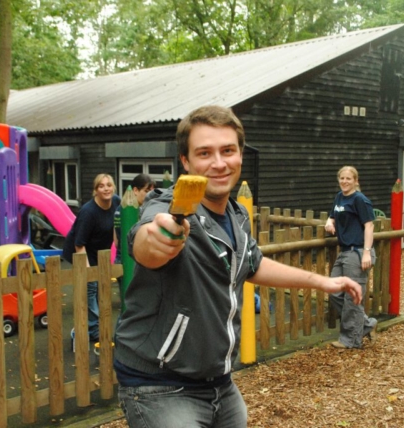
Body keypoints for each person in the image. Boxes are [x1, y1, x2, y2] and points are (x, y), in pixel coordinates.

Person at [113, 105, 362, 428]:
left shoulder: (235, 215)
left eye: (227, 150)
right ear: (186, 161)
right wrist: (160, 240)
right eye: (204, 153)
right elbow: (146, 242)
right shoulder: (169, 206)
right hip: (159, 385)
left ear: (240, 155)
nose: (219, 163)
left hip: (220, 382)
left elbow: (252, 264)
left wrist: (322, 281)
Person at [324, 166, 378, 349]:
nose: (345, 181)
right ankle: (366, 324)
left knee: (351, 297)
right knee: (333, 291)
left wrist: (366, 252)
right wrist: (329, 222)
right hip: (345, 251)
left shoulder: (360, 199)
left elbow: (369, 226)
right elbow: (333, 215)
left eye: (349, 179)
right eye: (342, 178)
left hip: (357, 252)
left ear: (355, 181)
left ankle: (350, 341)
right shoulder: (339, 197)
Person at [63, 173, 120, 343]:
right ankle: (94, 329)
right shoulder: (88, 212)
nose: (106, 189)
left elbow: (117, 224)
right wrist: (87, 271)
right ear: (96, 191)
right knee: (91, 288)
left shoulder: (116, 202)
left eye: (108, 185)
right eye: (101, 186)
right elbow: (79, 244)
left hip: (99, 252)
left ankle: (91, 324)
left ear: (113, 187)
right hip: (81, 251)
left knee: (100, 290)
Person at [113, 173, 157, 267]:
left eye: (152, 192)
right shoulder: (134, 211)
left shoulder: (119, 209)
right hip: (131, 261)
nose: (150, 195)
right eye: (146, 191)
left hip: (120, 258)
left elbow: (116, 241)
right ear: (135, 190)